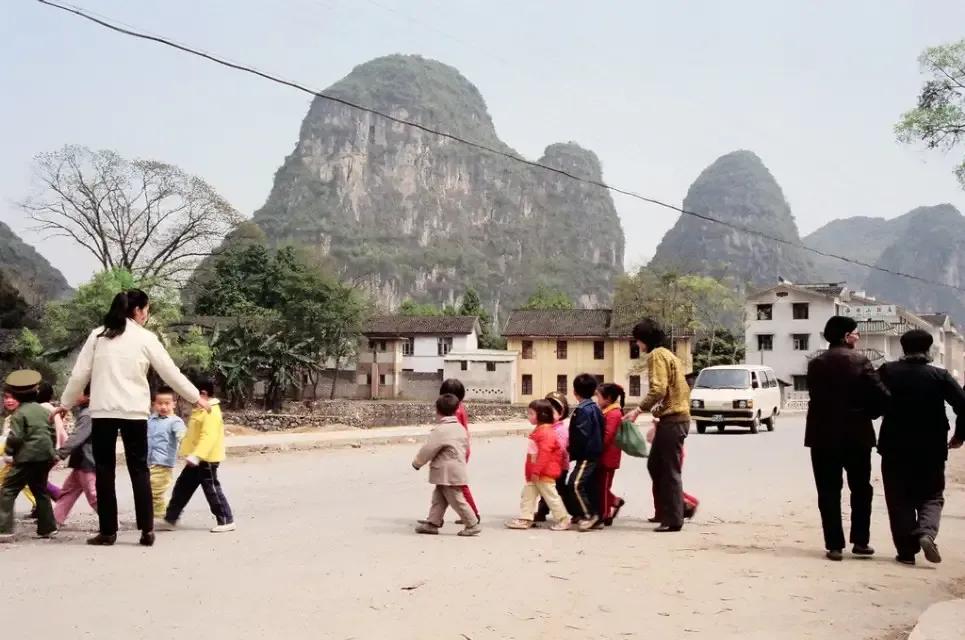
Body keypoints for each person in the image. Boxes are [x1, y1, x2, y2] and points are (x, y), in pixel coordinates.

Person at [57, 288, 208, 547]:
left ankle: (107, 532)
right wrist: (196, 397)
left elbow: (79, 374)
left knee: (104, 472)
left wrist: (64, 403)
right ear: (137, 311)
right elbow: (170, 372)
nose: (147, 314)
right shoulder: (145, 338)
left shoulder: (98, 335)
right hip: (134, 414)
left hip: (103, 413)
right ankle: (147, 530)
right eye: (146, 309)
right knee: (140, 470)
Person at [805, 315, 890, 561]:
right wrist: (870, 412)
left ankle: (834, 545)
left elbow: (816, 396)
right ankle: (861, 542)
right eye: (855, 333)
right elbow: (882, 396)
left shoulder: (816, 363)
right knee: (861, 489)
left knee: (828, 490)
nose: (857, 337)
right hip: (857, 435)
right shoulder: (861, 361)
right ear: (845, 336)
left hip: (821, 436)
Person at [877, 329, 965, 566]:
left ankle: (906, 552)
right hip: (932, 447)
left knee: (898, 498)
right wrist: (960, 435)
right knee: (932, 495)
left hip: (894, 446)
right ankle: (926, 532)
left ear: (903, 349)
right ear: (929, 350)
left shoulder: (887, 372)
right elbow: (963, 406)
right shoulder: (939, 375)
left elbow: (871, 401)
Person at [626, 318, 692, 532]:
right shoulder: (669, 354)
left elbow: (658, 389)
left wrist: (639, 409)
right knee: (655, 465)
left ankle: (673, 519)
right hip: (675, 418)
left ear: (645, 340)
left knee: (667, 469)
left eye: (638, 341)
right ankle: (678, 507)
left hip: (674, 419)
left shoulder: (656, 356)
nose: (637, 345)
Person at [159, 378, 235, 533]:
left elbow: (208, 436)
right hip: (196, 458)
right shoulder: (201, 410)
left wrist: (197, 455)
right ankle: (171, 518)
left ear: (203, 394)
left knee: (212, 489)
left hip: (206, 459)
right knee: (182, 487)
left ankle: (226, 520)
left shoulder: (210, 411)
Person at [0, 370, 57, 542]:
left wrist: (9, 453)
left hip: (27, 458)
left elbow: (15, 437)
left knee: (8, 490)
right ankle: (48, 528)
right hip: (45, 456)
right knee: (40, 490)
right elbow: (52, 433)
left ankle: (4, 530)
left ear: (17, 395)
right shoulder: (43, 410)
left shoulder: (19, 414)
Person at [412, 394, 480, 537]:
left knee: (456, 499)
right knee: (439, 498)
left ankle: (472, 523)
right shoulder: (460, 428)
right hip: (454, 470)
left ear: (437, 411)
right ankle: (432, 523)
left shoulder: (441, 430)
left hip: (446, 472)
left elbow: (429, 449)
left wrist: (417, 462)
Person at [505, 399, 571, 531]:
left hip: (543, 473)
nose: (528, 416)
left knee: (551, 497)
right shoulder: (540, 430)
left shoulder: (545, 432)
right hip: (536, 474)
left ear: (541, 415)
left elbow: (544, 454)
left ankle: (563, 519)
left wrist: (536, 471)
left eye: (531, 413)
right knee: (528, 495)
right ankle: (526, 518)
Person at [53, 385, 97, 526]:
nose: (74, 395)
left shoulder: (88, 414)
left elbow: (77, 437)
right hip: (80, 461)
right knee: (68, 492)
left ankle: (110, 522)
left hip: (87, 461)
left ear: (88, 396)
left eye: (77, 392)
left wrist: (61, 453)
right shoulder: (86, 412)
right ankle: (54, 521)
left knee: (93, 495)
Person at [567, 373, 604, 531]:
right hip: (594, 452)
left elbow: (581, 436)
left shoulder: (582, 410)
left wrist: (571, 451)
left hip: (586, 455)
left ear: (574, 392)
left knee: (575, 484)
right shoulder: (595, 408)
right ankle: (590, 515)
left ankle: (589, 515)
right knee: (588, 486)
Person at [439, 378, 479, 522]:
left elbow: (450, 433)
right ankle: (436, 518)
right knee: (445, 484)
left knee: (458, 484)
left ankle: (473, 514)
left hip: (456, 449)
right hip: (462, 447)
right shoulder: (459, 406)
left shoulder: (453, 410)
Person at [147, 387, 187, 518]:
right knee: (150, 491)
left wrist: (188, 450)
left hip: (163, 463)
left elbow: (182, 436)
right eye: (159, 403)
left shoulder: (175, 421)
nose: (163, 407)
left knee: (155, 492)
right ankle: (165, 514)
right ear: (154, 404)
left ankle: (165, 516)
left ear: (174, 403)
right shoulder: (151, 419)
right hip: (149, 462)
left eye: (167, 403)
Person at [535, 391, 570, 522]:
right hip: (548, 467)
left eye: (555, 409)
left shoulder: (560, 430)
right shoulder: (546, 428)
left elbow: (560, 450)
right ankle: (542, 512)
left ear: (561, 413)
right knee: (547, 491)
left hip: (558, 467)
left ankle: (571, 513)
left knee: (556, 492)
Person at [1, 391, 38, 513]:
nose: (9, 401)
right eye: (6, 398)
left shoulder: (24, 416)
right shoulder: (9, 419)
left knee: (21, 483)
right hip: (13, 456)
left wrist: (9, 453)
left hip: (23, 456)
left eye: (13, 398)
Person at [596, 383, 626, 527]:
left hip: (607, 457)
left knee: (604, 486)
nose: (597, 399)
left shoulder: (614, 413)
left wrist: (596, 448)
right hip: (604, 455)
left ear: (607, 399)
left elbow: (607, 436)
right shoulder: (608, 410)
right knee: (600, 485)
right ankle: (614, 502)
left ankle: (606, 513)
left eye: (598, 396)